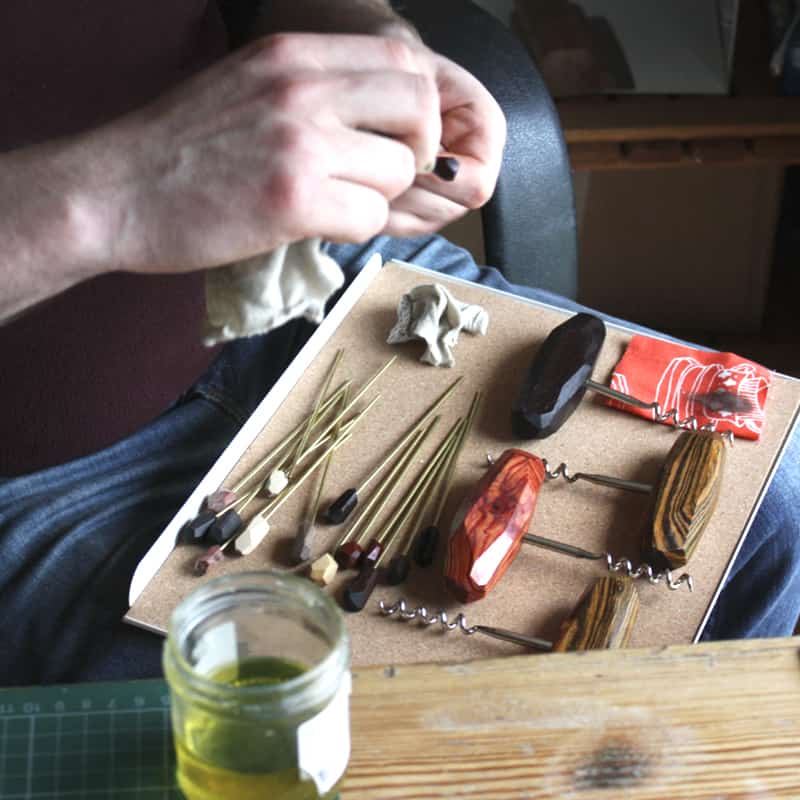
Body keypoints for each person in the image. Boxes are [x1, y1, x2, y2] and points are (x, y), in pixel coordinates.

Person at [0, 0, 797, 685]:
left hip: (309, 274)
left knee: (780, 495)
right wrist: (107, 195)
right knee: (329, 736)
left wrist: (373, 49)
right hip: (38, 467)